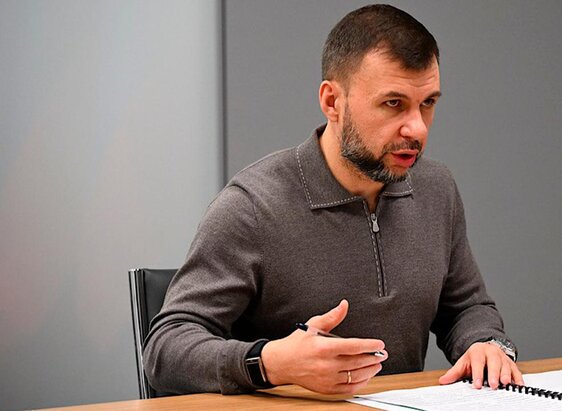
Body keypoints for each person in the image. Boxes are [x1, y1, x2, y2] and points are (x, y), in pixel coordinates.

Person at [144, 4, 523, 396]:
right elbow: (165, 349)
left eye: (427, 103)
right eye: (393, 103)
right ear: (332, 102)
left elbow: (466, 308)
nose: (417, 128)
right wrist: (270, 362)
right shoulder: (253, 206)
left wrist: (486, 344)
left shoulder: (436, 189)